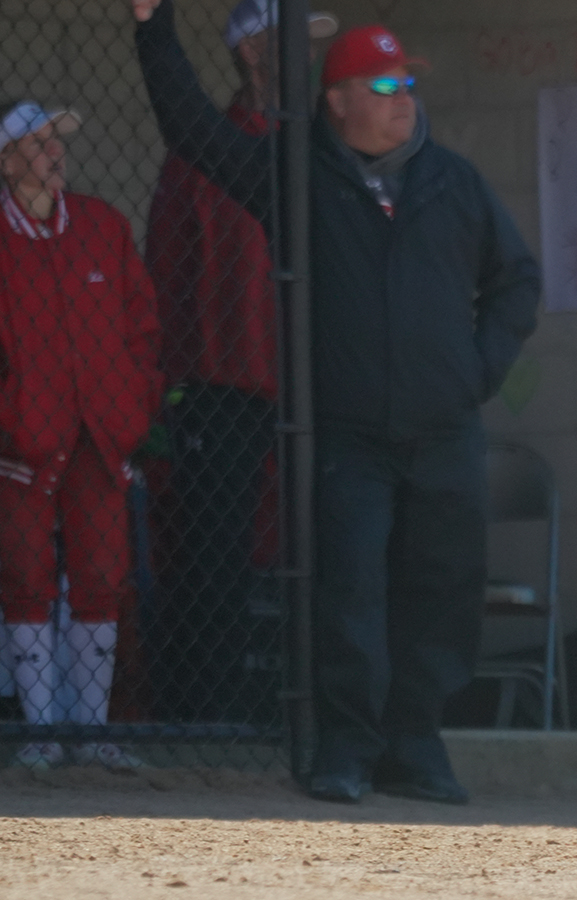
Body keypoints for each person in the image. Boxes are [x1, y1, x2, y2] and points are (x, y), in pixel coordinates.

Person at [132, 0, 541, 804]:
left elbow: (516, 281)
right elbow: (192, 133)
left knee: (440, 591)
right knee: (348, 592)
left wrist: (473, 372)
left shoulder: (451, 180)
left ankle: (416, 749)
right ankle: (347, 751)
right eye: (383, 84)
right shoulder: (293, 173)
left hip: (445, 431)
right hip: (349, 436)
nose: (403, 98)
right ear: (339, 100)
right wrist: (153, 28)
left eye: (408, 82)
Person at [145, 0, 339, 725]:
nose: (307, 56)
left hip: (309, 393)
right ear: (253, 51)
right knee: (213, 564)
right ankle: (207, 721)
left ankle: (305, 718)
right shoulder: (211, 149)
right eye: (291, 41)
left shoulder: (318, 149)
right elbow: (165, 273)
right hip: (224, 391)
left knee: (318, 554)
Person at [0, 99, 162, 770]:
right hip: (20, 440)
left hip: (100, 433)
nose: (53, 153)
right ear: (5, 163)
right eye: (35, 145)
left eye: (56, 141)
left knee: (102, 571)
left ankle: (92, 735)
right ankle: (40, 736)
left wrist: (130, 410)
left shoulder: (102, 226)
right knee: (24, 574)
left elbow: (142, 331)